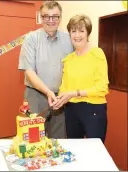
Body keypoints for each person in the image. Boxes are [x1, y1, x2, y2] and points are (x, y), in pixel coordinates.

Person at [18, 1, 73, 138]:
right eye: (46, 16)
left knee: (59, 140)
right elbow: (29, 72)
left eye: (55, 16)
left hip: (60, 98)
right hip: (35, 96)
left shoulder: (69, 39)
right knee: (32, 138)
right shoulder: (31, 38)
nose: (51, 20)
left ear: (60, 18)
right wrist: (48, 92)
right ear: (41, 18)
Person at [53, 14, 109, 143]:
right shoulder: (68, 59)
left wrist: (75, 93)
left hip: (93, 109)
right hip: (71, 109)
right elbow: (64, 87)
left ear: (88, 33)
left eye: (81, 31)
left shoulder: (97, 54)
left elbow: (102, 87)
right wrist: (59, 100)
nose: (77, 35)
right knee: (75, 150)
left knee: (94, 152)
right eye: (73, 31)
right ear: (70, 34)